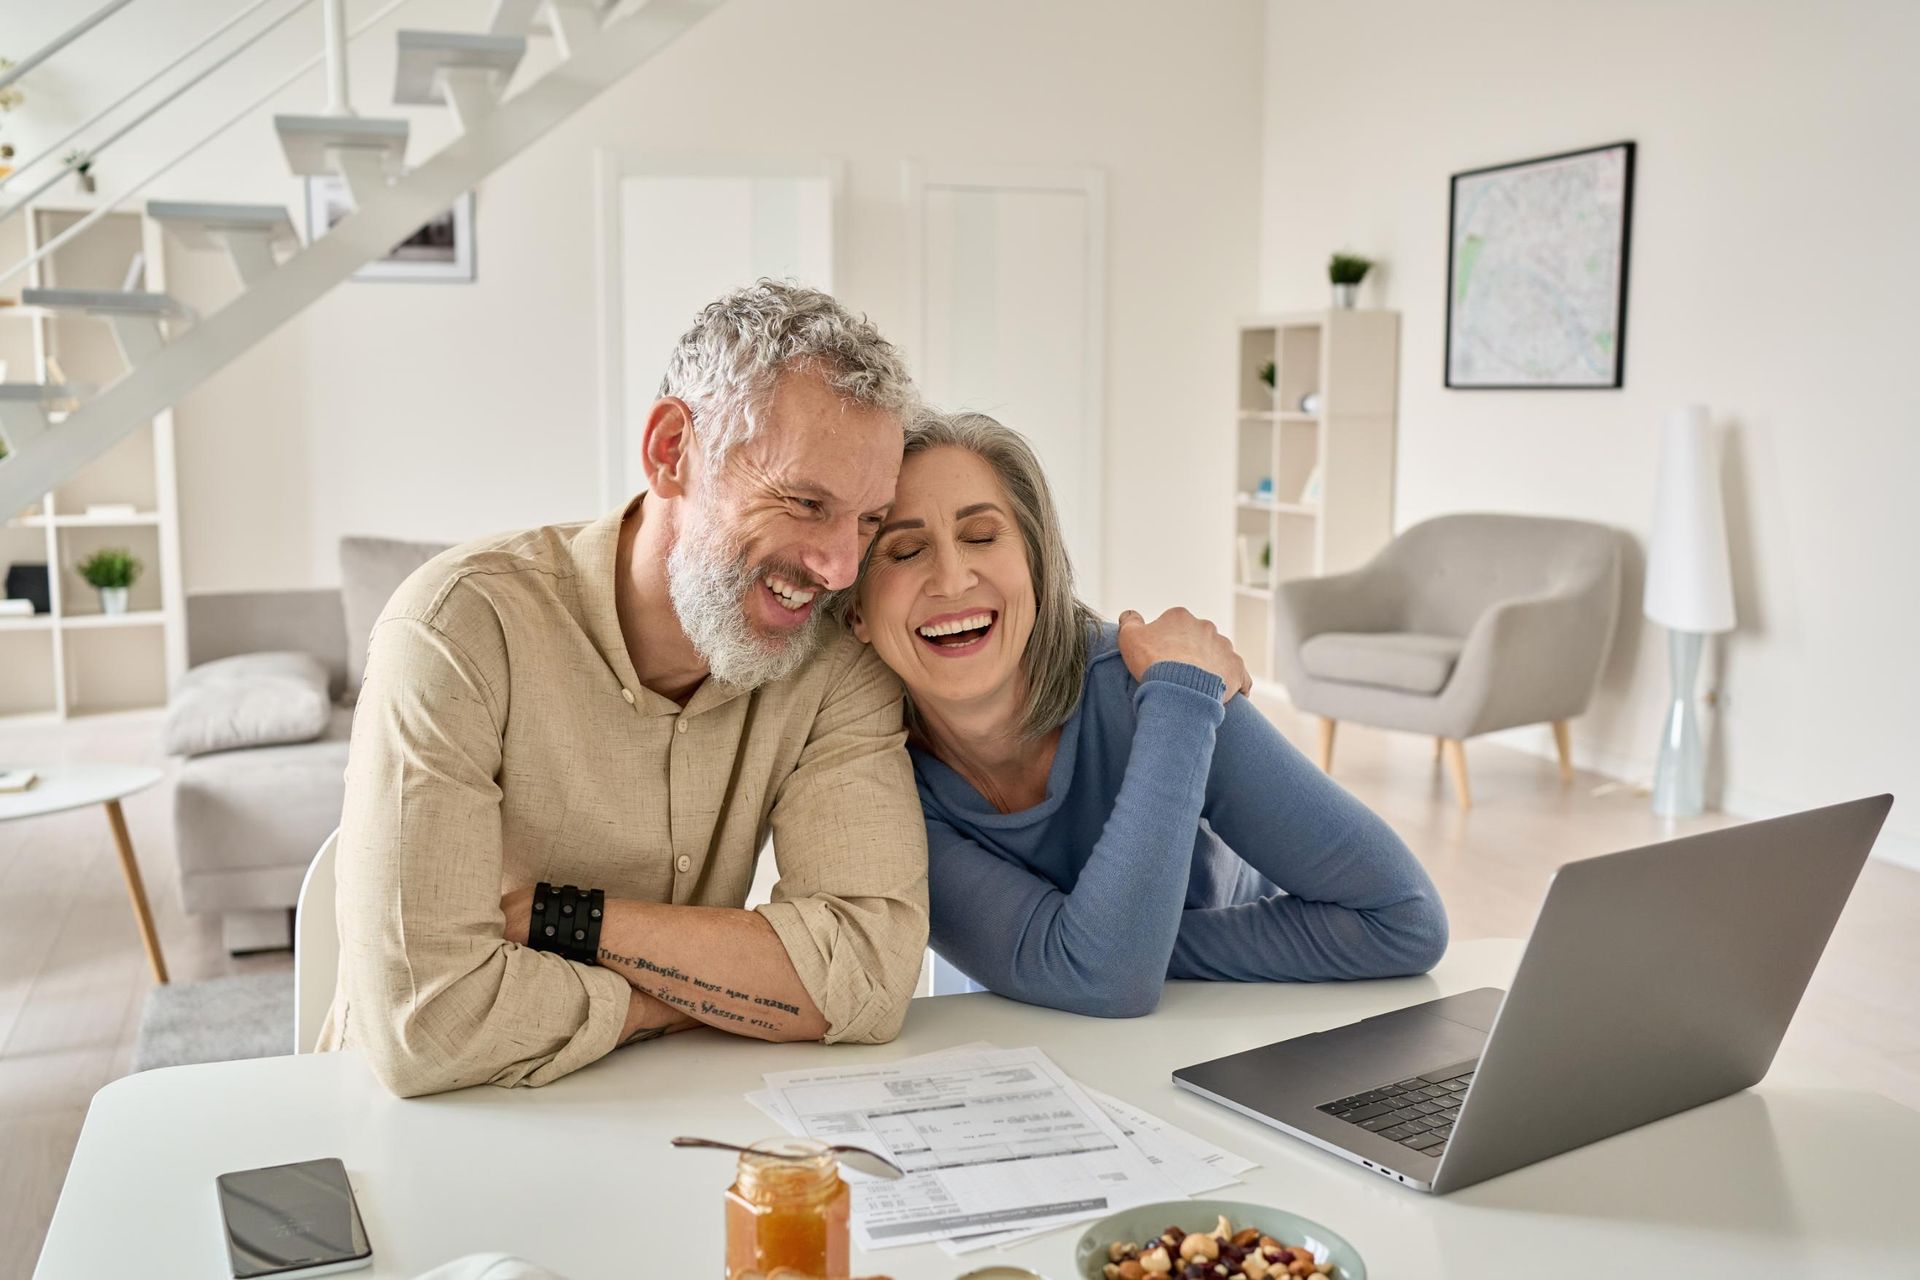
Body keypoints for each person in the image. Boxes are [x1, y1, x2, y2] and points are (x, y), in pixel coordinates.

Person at [321, 282, 931, 1096]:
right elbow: (427, 1025)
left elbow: (868, 972)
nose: (840, 567)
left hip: (655, 1118)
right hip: (419, 1129)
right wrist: (700, 997)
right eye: (805, 502)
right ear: (672, 449)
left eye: (866, 521)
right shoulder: (459, 627)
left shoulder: (835, 663)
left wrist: (561, 920)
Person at [847, 411, 1448, 1017]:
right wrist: (1101, 951)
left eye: (981, 536)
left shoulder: (1163, 689)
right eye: (904, 550)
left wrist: (1104, 947)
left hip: (1237, 1025)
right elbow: (1102, 976)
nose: (952, 578)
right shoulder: (873, 784)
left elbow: (1405, 918)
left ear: (1035, 565)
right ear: (856, 614)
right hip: (1040, 1045)